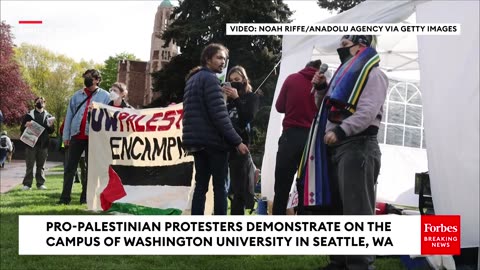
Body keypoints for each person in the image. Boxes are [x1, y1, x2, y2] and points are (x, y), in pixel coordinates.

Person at [310, 35, 387, 270]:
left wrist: (342, 130)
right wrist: (321, 88)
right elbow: (322, 107)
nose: (340, 50)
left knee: (357, 210)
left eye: (345, 45)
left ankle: (360, 265)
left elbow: (368, 111)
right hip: (338, 147)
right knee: (338, 207)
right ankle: (340, 261)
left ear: (361, 46)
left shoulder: (374, 74)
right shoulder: (343, 76)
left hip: (359, 145)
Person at [182, 43, 249, 215]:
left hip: (197, 143)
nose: (223, 62)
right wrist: (237, 141)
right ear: (207, 58)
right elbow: (220, 117)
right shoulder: (211, 79)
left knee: (201, 186)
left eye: (225, 59)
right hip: (214, 143)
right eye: (219, 57)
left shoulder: (192, 79)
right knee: (220, 187)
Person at [272, 60, 323, 215]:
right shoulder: (324, 85)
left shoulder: (292, 79)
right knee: (305, 188)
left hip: (290, 136)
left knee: (282, 187)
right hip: (311, 139)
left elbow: (279, 107)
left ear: (306, 66)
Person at [58, 69, 110, 205]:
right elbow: (69, 116)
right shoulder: (76, 96)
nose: (87, 79)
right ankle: (65, 198)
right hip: (76, 136)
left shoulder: (105, 96)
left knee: (89, 169)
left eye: (90, 77)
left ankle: (85, 198)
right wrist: (66, 136)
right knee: (70, 168)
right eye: (85, 77)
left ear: (97, 80)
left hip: (93, 137)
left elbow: (110, 116)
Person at [223, 65, 260, 215]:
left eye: (237, 80)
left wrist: (237, 98)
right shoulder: (226, 100)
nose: (234, 83)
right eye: (231, 81)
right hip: (223, 145)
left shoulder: (252, 97)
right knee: (222, 188)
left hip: (240, 147)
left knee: (239, 191)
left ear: (244, 80)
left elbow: (246, 118)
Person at [20, 97, 55, 190]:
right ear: (35, 103)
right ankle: (27, 184)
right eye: (38, 101)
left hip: (43, 145)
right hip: (30, 144)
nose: (40, 103)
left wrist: (50, 126)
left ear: (45, 103)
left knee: (41, 166)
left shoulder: (49, 116)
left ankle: (40, 184)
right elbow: (22, 128)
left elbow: (51, 131)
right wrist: (25, 125)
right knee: (29, 165)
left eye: (42, 101)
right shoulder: (28, 115)